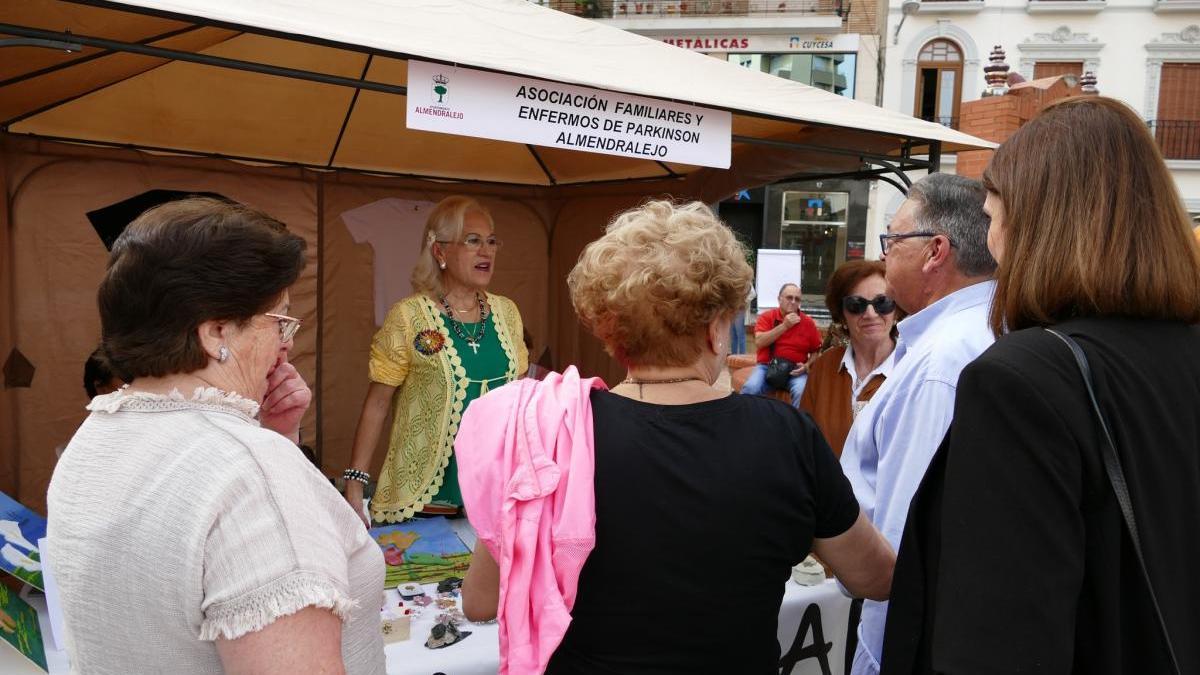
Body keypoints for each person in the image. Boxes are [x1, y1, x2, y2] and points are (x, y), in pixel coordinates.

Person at [457, 200, 895, 674]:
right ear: (714, 330)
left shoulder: (552, 435)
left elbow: (480, 600)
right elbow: (876, 576)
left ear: (612, 332)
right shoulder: (784, 437)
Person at [882, 97, 1200, 675]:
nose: (993, 240)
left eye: (995, 214)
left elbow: (999, 642)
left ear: (1041, 223)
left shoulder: (1019, 380)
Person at [46, 198, 385, 673]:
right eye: (279, 320)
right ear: (216, 333)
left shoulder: (95, 437)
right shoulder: (251, 471)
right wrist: (268, 454)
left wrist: (275, 437)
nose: (287, 342)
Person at [840, 173, 997, 675]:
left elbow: (902, 544)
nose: (884, 254)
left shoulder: (941, 362)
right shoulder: (975, 332)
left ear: (935, 251)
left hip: (903, 639)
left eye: (892, 239)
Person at [344, 195, 528, 524]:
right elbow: (377, 405)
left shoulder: (506, 313)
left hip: (493, 503)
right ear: (440, 251)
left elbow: (520, 400)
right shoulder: (409, 316)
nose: (486, 251)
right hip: (422, 506)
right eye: (472, 241)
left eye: (491, 241)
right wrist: (355, 488)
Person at [799, 260, 901, 458]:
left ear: (896, 309)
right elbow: (805, 441)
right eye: (856, 305)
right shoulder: (824, 366)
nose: (871, 314)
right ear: (842, 315)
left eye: (883, 302)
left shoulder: (912, 369)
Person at [740, 282, 821, 405]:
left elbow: (816, 350)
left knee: (802, 392)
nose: (793, 301)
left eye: (797, 299)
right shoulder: (767, 317)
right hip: (767, 367)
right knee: (750, 388)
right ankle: (745, 422)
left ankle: (795, 424)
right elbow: (760, 342)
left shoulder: (808, 323)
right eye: (789, 297)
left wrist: (806, 366)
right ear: (779, 299)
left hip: (796, 371)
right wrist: (784, 326)